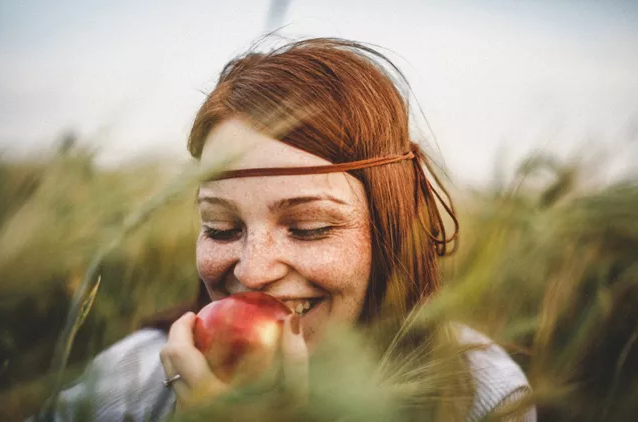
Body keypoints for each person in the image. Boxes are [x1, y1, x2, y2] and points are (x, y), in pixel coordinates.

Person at [35, 38, 535, 421]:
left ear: (391, 230)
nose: (253, 272)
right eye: (221, 227)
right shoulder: (125, 384)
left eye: (310, 228)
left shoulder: (477, 393)